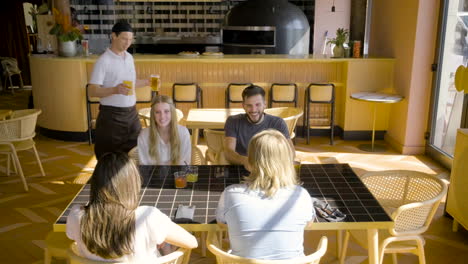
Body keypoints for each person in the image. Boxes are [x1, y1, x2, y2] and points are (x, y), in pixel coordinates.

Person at [66, 152, 198, 262]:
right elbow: (192, 243)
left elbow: (75, 239)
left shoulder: (76, 215)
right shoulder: (148, 217)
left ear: (95, 182)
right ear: (132, 183)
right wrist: (159, 236)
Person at [216, 130, 313, 260]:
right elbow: (309, 223)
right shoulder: (301, 195)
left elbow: (222, 223)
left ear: (249, 162)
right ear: (288, 162)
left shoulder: (231, 194)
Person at [87, 21, 149, 159]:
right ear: (113, 36)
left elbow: (129, 85)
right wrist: (115, 90)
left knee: (135, 154)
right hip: (111, 117)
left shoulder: (129, 57)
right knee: (109, 158)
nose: (128, 43)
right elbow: (92, 91)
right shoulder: (104, 61)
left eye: (130, 39)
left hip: (132, 114)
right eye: (124, 39)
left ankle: (130, 180)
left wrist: (146, 82)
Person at [224, 85, 292, 168]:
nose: (253, 110)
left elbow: (290, 152)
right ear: (243, 106)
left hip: (271, 168)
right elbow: (228, 152)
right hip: (241, 167)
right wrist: (245, 161)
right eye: (249, 105)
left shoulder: (278, 123)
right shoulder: (233, 121)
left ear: (265, 104)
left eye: (257, 105)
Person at [138, 95, 191, 165]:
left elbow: (185, 162)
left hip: (178, 174)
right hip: (153, 175)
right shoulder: (144, 135)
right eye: (157, 112)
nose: (162, 116)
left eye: (166, 111)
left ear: (172, 113)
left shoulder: (183, 133)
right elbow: (144, 164)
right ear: (153, 114)